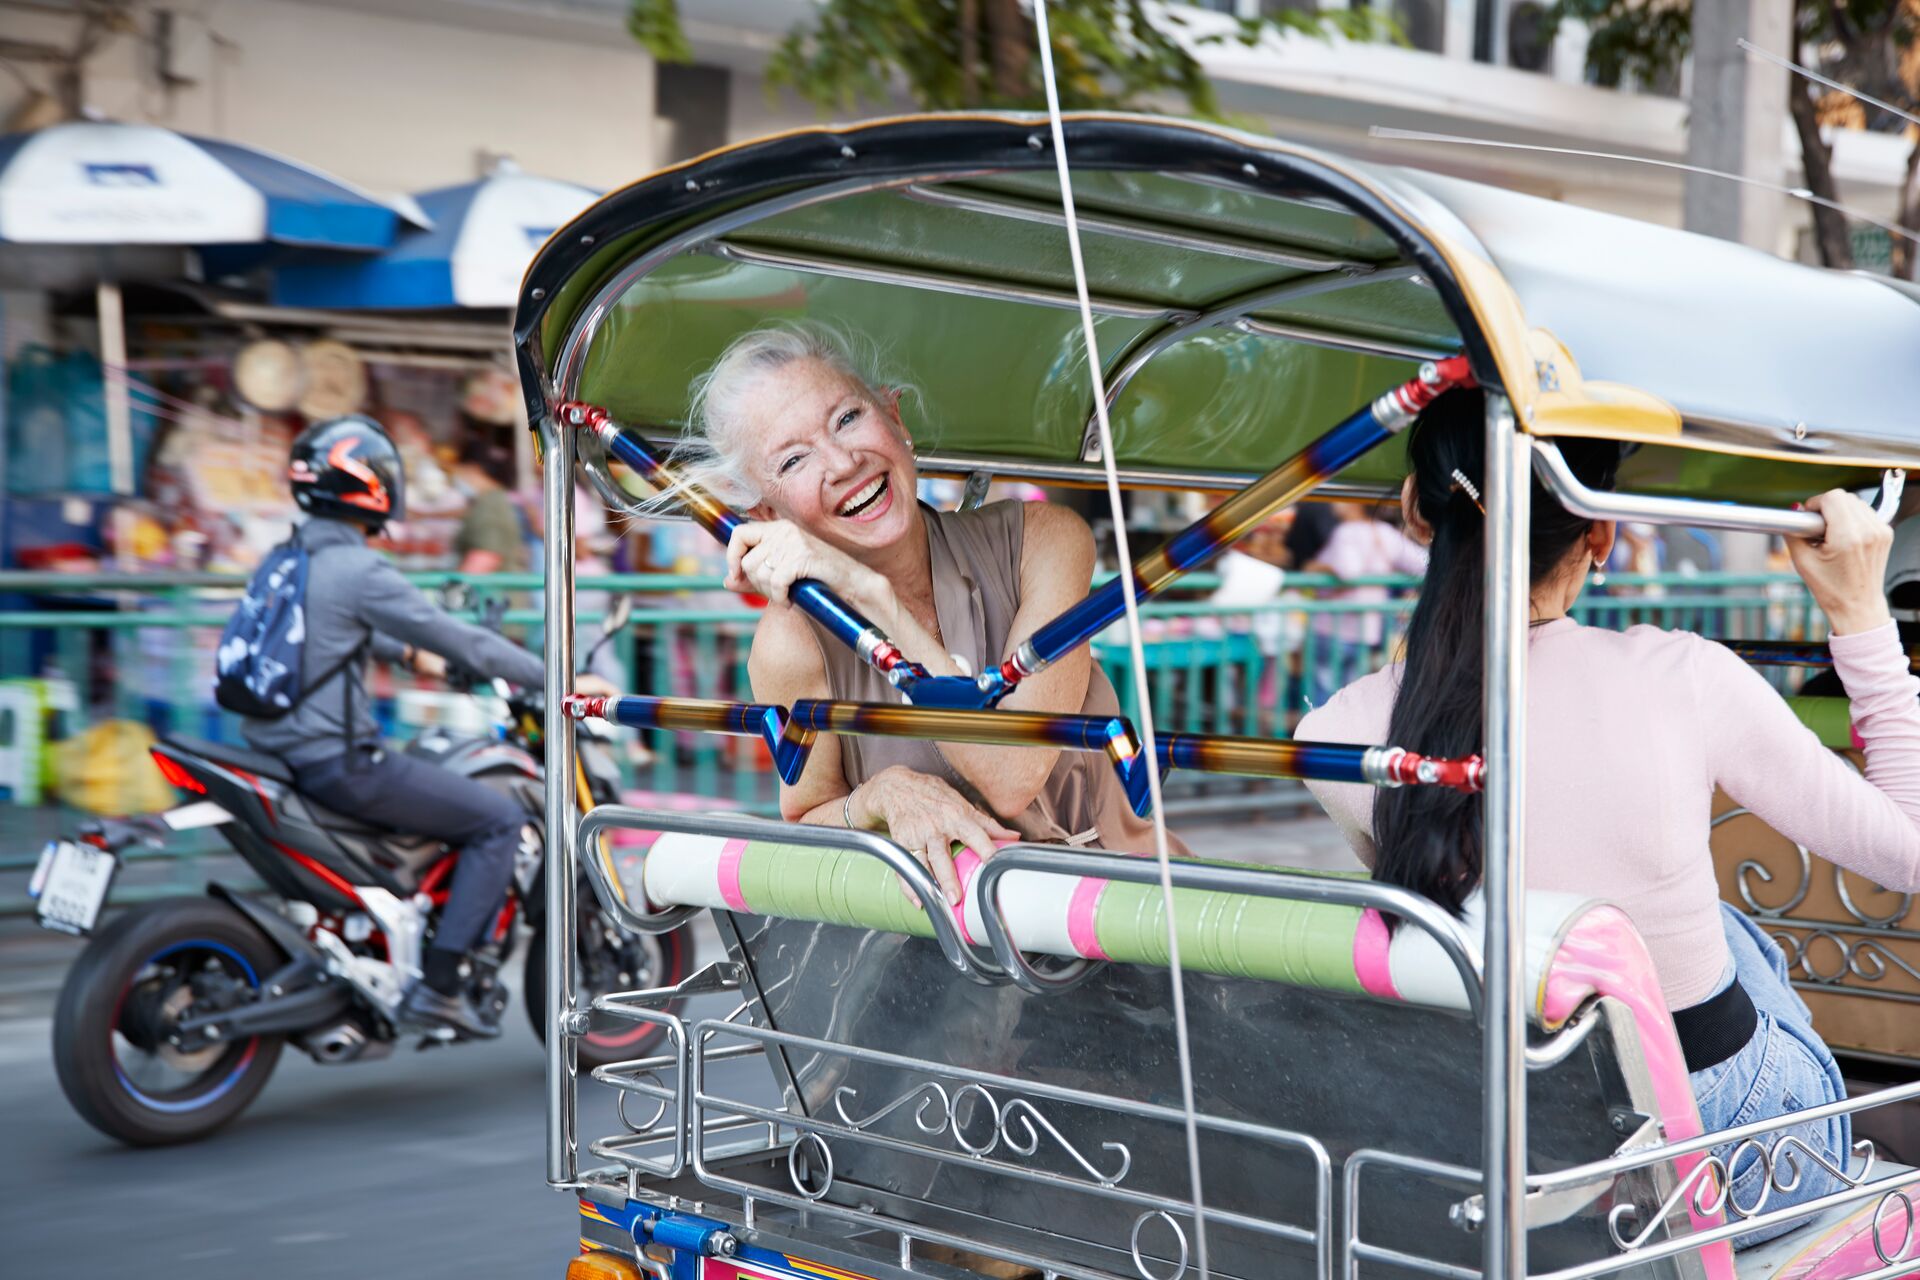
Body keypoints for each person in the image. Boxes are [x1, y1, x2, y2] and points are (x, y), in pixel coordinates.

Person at [1296, 389, 1920, 1241]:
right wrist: (1859, 612)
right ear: (1602, 531)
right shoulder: (1683, 677)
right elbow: (1908, 852)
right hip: (1731, 1155)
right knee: (1722, 938)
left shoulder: (1334, 735)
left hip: (1493, 1148)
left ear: (1416, 511)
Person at [662, 322, 1187, 905]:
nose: (841, 461)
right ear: (765, 510)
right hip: (958, 949)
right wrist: (882, 796)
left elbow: (1011, 775)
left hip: (1136, 908)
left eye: (847, 418)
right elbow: (807, 816)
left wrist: (872, 596)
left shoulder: (1044, 539)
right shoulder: (792, 643)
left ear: (895, 419)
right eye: (793, 461)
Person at [244, 416, 613, 1038]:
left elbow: (329, 628)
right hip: (339, 763)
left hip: (275, 750)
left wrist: (409, 656)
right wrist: (564, 679)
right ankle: (439, 988)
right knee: (498, 821)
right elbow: (465, 640)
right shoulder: (358, 569)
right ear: (369, 487)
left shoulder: (286, 558)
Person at [1302, 501, 1427, 707]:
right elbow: (1424, 563)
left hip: (1331, 629)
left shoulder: (1347, 532)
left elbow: (1348, 570)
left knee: (1323, 698)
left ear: (1355, 505)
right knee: (1351, 697)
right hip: (1366, 631)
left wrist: (1317, 567)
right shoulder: (1385, 533)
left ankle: (1320, 738)